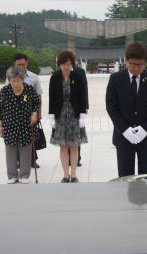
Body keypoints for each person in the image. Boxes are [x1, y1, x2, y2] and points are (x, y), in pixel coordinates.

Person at [106, 42, 147, 177]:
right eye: (134, 64)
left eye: (141, 64)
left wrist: (145, 129)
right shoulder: (116, 78)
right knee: (125, 178)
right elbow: (111, 105)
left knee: (146, 177)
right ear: (126, 61)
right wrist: (125, 130)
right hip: (123, 137)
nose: (138, 68)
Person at [48, 51, 88, 183]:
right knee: (63, 146)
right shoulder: (54, 77)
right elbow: (52, 97)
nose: (67, 67)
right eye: (64, 64)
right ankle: (66, 175)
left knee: (75, 146)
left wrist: (83, 114)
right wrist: (51, 115)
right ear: (59, 64)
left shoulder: (77, 76)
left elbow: (83, 95)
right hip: (61, 114)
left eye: (69, 64)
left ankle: (74, 174)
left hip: (75, 114)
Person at [0, 66, 39, 184]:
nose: (15, 83)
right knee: (10, 150)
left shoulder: (29, 90)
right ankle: (12, 175)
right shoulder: (4, 91)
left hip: (26, 125)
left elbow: (36, 102)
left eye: (18, 80)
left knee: (25, 149)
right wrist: (0, 125)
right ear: (9, 80)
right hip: (9, 125)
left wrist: (34, 114)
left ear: (22, 79)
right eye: (13, 80)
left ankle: (24, 175)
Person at [10, 53, 43, 168]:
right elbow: (6, 94)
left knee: (31, 137)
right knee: (17, 137)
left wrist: (38, 112)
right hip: (14, 113)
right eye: (18, 65)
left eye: (23, 64)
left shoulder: (34, 77)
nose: (21, 67)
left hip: (30, 113)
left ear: (27, 63)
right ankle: (19, 160)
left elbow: (38, 97)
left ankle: (32, 160)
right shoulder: (10, 78)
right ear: (14, 64)